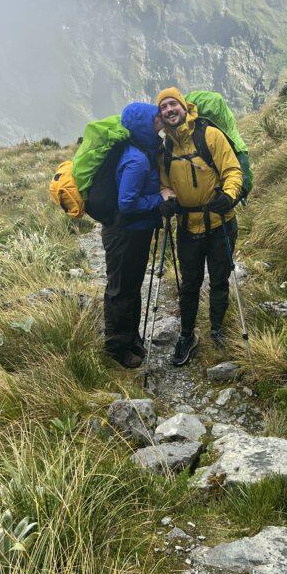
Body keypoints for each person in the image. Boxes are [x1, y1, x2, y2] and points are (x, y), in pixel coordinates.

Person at [156, 87, 243, 366]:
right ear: (161, 115)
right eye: (163, 108)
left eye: (173, 104)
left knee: (219, 279)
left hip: (220, 222)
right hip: (187, 226)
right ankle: (186, 335)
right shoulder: (166, 148)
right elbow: (164, 184)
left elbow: (232, 170)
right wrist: (167, 199)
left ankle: (216, 329)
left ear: (184, 106)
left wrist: (228, 195)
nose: (169, 110)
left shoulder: (209, 135)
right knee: (189, 284)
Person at [101, 103, 164, 369]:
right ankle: (116, 348)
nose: (160, 120)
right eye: (155, 118)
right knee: (121, 289)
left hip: (134, 232)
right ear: (143, 125)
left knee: (131, 286)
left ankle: (130, 337)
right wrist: (158, 199)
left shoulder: (144, 150)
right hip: (124, 234)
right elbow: (127, 203)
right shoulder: (136, 160)